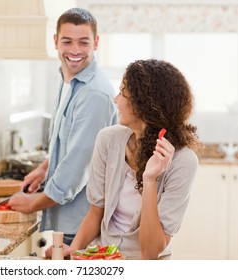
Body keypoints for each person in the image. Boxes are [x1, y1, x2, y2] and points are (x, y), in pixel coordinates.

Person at [45, 59, 200, 259]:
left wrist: (150, 180)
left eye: (123, 92)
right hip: (102, 258)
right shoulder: (108, 140)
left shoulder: (183, 161)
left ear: (143, 104)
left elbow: (152, 251)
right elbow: (95, 213)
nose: (115, 99)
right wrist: (74, 248)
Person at [8, 8, 117, 245]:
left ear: (96, 43)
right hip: (66, 220)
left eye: (83, 42)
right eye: (67, 41)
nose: (75, 50)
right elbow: (67, 141)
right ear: (56, 41)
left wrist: (33, 203)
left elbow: (77, 167)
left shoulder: (94, 94)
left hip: (81, 225)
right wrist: (45, 168)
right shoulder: (69, 80)